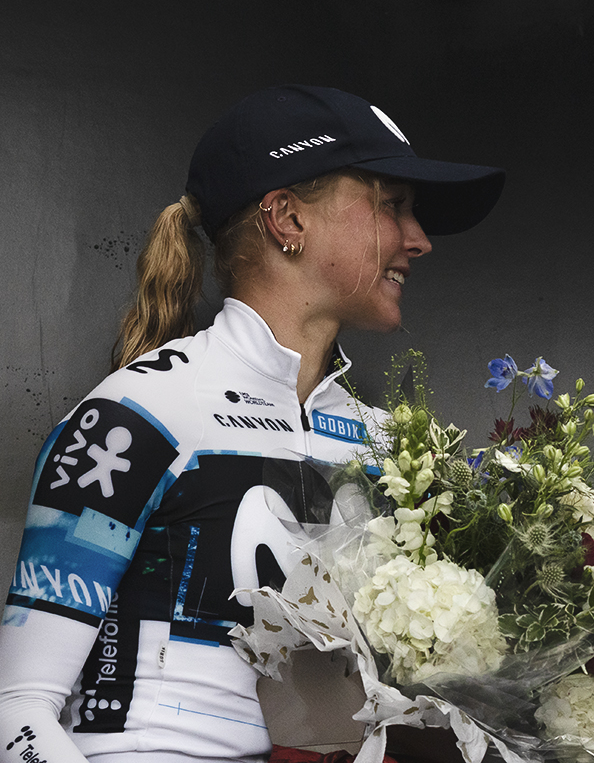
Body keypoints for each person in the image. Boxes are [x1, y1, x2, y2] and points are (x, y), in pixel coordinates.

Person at [0, 85, 504, 763]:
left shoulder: (393, 446)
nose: (419, 240)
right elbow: (17, 713)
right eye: (392, 204)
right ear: (287, 219)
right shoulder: (136, 416)